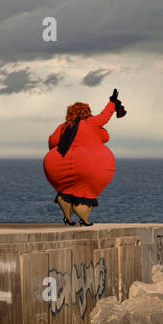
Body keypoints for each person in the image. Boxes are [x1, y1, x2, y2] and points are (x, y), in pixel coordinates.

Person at [43, 88, 126, 226]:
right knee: (86, 190)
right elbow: (105, 116)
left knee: (65, 190)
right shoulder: (92, 122)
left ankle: (67, 213)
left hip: (58, 164)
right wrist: (112, 102)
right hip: (89, 163)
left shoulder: (64, 126)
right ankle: (83, 214)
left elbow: (52, 141)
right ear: (86, 112)